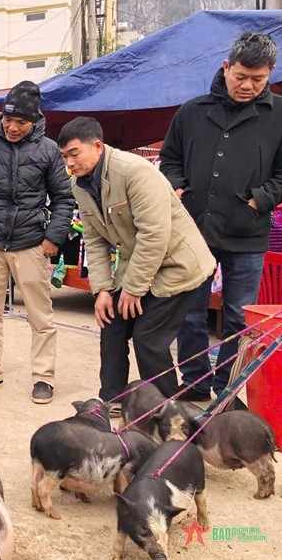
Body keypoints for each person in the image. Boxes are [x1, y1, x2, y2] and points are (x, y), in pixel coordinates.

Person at [60, 117, 216, 407]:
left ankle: (165, 409)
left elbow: (154, 235)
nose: (70, 163)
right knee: (112, 324)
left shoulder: (135, 171)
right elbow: (94, 240)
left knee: (148, 338)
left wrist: (132, 289)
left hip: (178, 264)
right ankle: (113, 401)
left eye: (74, 153)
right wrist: (103, 290)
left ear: (96, 146)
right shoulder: (80, 186)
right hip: (139, 263)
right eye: (65, 156)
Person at [160, 33, 282, 402]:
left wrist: (259, 200)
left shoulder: (279, 117)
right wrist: (178, 187)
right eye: (241, 76)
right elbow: (169, 160)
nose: (247, 86)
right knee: (190, 314)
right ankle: (195, 384)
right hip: (193, 231)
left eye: (257, 79)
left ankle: (227, 389)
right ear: (226, 67)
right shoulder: (192, 112)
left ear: (269, 74)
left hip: (247, 234)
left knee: (236, 318)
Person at [0, 81, 74, 404]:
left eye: (21, 122)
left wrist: (54, 237)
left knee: (41, 316)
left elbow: (64, 198)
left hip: (31, 243)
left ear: (34, 121)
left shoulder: (49, 150)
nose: (12, 127)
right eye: (8, 120)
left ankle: (43, 377)